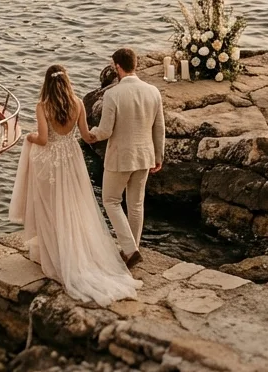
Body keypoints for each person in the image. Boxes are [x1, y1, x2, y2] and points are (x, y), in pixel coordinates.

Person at [9, 65, 138, 306]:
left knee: (50, 208)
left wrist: (29, 137)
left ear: (47, 83)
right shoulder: (78, 103)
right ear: (67, 82)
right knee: (74, 206)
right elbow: (87, 135)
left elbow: (44, 139)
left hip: (51, 162)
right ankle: (77, 252)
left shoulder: (43, 107)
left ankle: (56, 255)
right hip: (72, 159)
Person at [89, 47, 165, 268]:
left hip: (121, 157)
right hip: (145, 155)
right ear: (136, 65)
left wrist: (89, 133)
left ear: (117, 67)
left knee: (111, 201)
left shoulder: (113, 94)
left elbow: (105, 131)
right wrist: (159, 155)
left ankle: (130, 250)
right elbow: (159, 128)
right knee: (136, 204)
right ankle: (132, 249)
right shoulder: (153, 91)